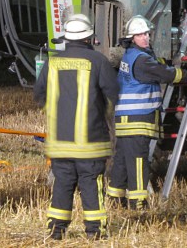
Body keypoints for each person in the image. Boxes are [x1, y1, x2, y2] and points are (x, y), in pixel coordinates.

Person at [33, 13, 119, 241]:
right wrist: (105, 119)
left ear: (67, 38)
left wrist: (55, 116)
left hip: (60, 142)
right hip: (90, 142)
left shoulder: (52, 62)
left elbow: (39, 95)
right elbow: (112, 95)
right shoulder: (99, 62)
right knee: (91, 184)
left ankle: (56, 230)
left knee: (63, 184)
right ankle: (95, 231)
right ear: (89, 37)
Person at [106, 15, 187, 210]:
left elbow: (157, 63)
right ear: (132, 38)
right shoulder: (141, 61)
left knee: (122, 160)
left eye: (147, 33)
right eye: (141, 34)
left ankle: (114, 198)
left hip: (125, 121)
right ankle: (138, 202)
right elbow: (164, 73)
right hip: (137, 120)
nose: (146, 37)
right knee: (139, 161)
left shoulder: (132, 55)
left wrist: (170, 61)